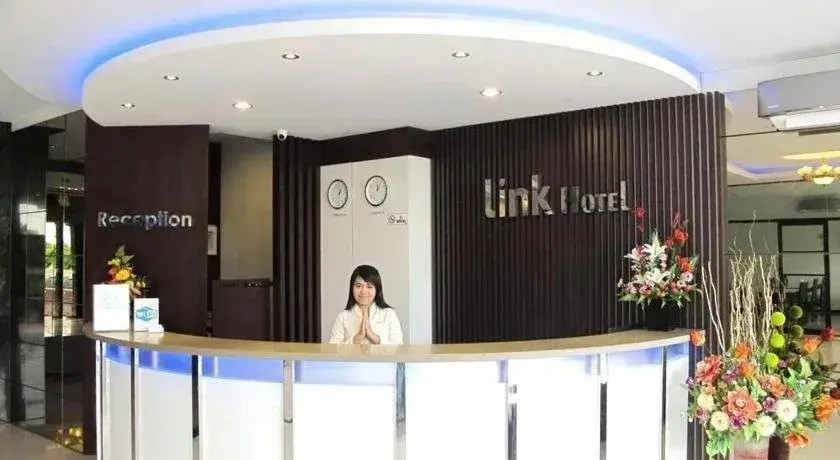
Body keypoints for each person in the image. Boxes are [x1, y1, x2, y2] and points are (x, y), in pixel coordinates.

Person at [328, 265, 403, 345]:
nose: (364, 291)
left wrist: (372, 336)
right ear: (352, 288)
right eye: (358, 286)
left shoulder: (389, 313)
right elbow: (333, 348)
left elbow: (398, 346)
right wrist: (355, 340)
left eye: (369, 286)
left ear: (377, 289)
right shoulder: (343, 316)